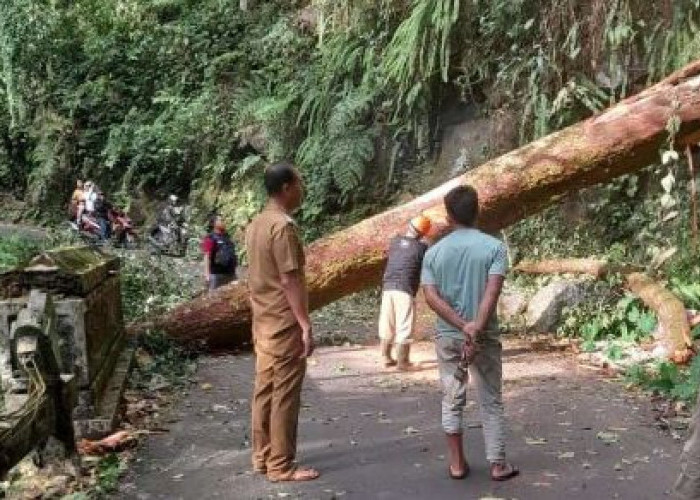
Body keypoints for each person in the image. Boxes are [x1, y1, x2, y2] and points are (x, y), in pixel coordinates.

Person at [421, 185, 519, 482]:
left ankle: (457, 464)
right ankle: (498, 465)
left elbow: (430, 296)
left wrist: (461, 325)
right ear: (477, 211)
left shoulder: (434, 253)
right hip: (485, 336)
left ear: (449, 216)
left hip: (449, 337)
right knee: (490, 399)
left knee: (452, 398)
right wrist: (475, 326)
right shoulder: (494, 248)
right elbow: (492, 291)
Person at [245, 162, 319, 483]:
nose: (302, 190)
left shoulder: (256, 224)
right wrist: (304, 323)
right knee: (285, 394)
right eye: (299, 184)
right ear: (287, 188)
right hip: (283, 323)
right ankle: (281, 465)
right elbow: (290, 280)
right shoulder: (282, 228)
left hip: (262, 322)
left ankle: (262, 457)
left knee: (264, 390)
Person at [378, 215, 432, 370]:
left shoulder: (395, 242)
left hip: (388, 287)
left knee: (387, 323)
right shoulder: (421, 248)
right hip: (404, 289)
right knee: (404, 325)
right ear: (422, 233)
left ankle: (386, 357)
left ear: (409, 226)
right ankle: (403, 362)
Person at [201, 215, 237, 290]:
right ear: (214, 224)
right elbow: (207, 256)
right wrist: (207, 275)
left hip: (231, 273)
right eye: (221, 220)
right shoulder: (210, 238)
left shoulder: (227, 237)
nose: (223, 222)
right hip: (216, 275)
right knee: (214, 299)